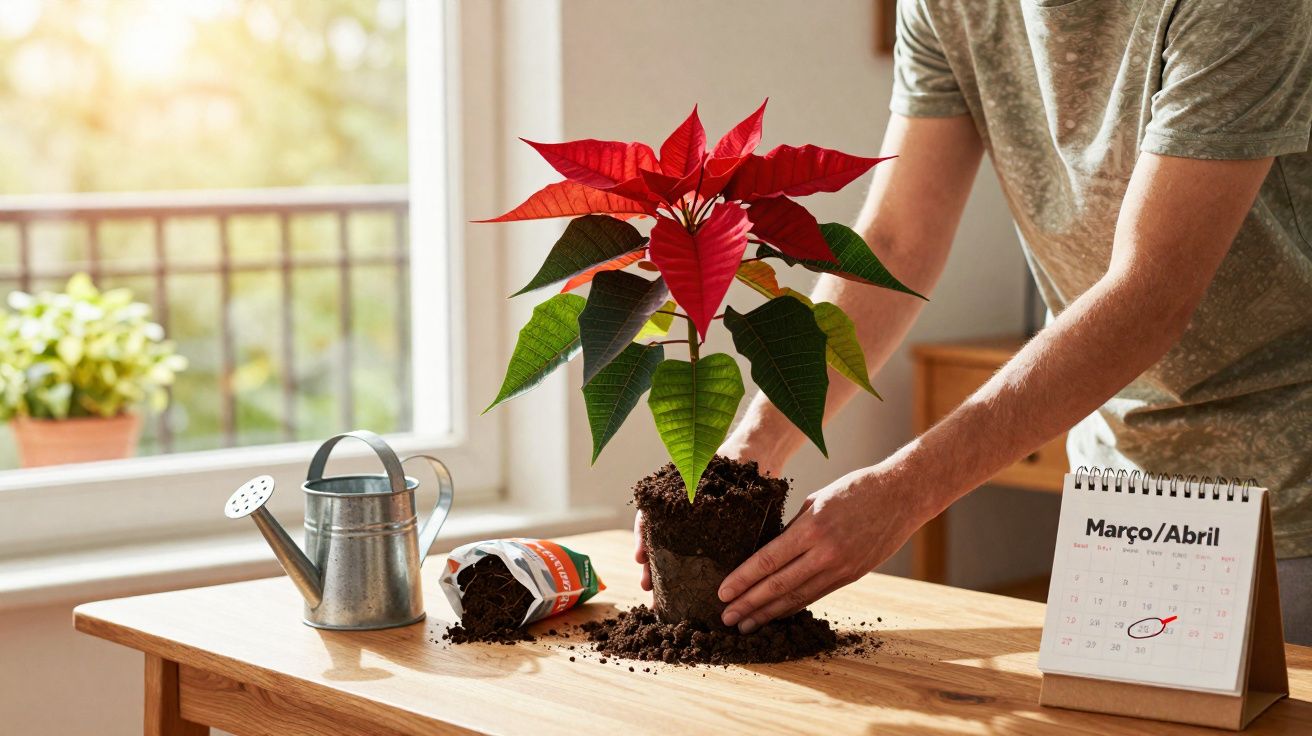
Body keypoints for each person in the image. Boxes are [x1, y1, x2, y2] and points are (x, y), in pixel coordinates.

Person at [634, 0, 1312, 645]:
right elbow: (898, 242)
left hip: (1289, 479)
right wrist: (748, 454)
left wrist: (902, 492)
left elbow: (1151, 293)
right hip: (1116, 479)